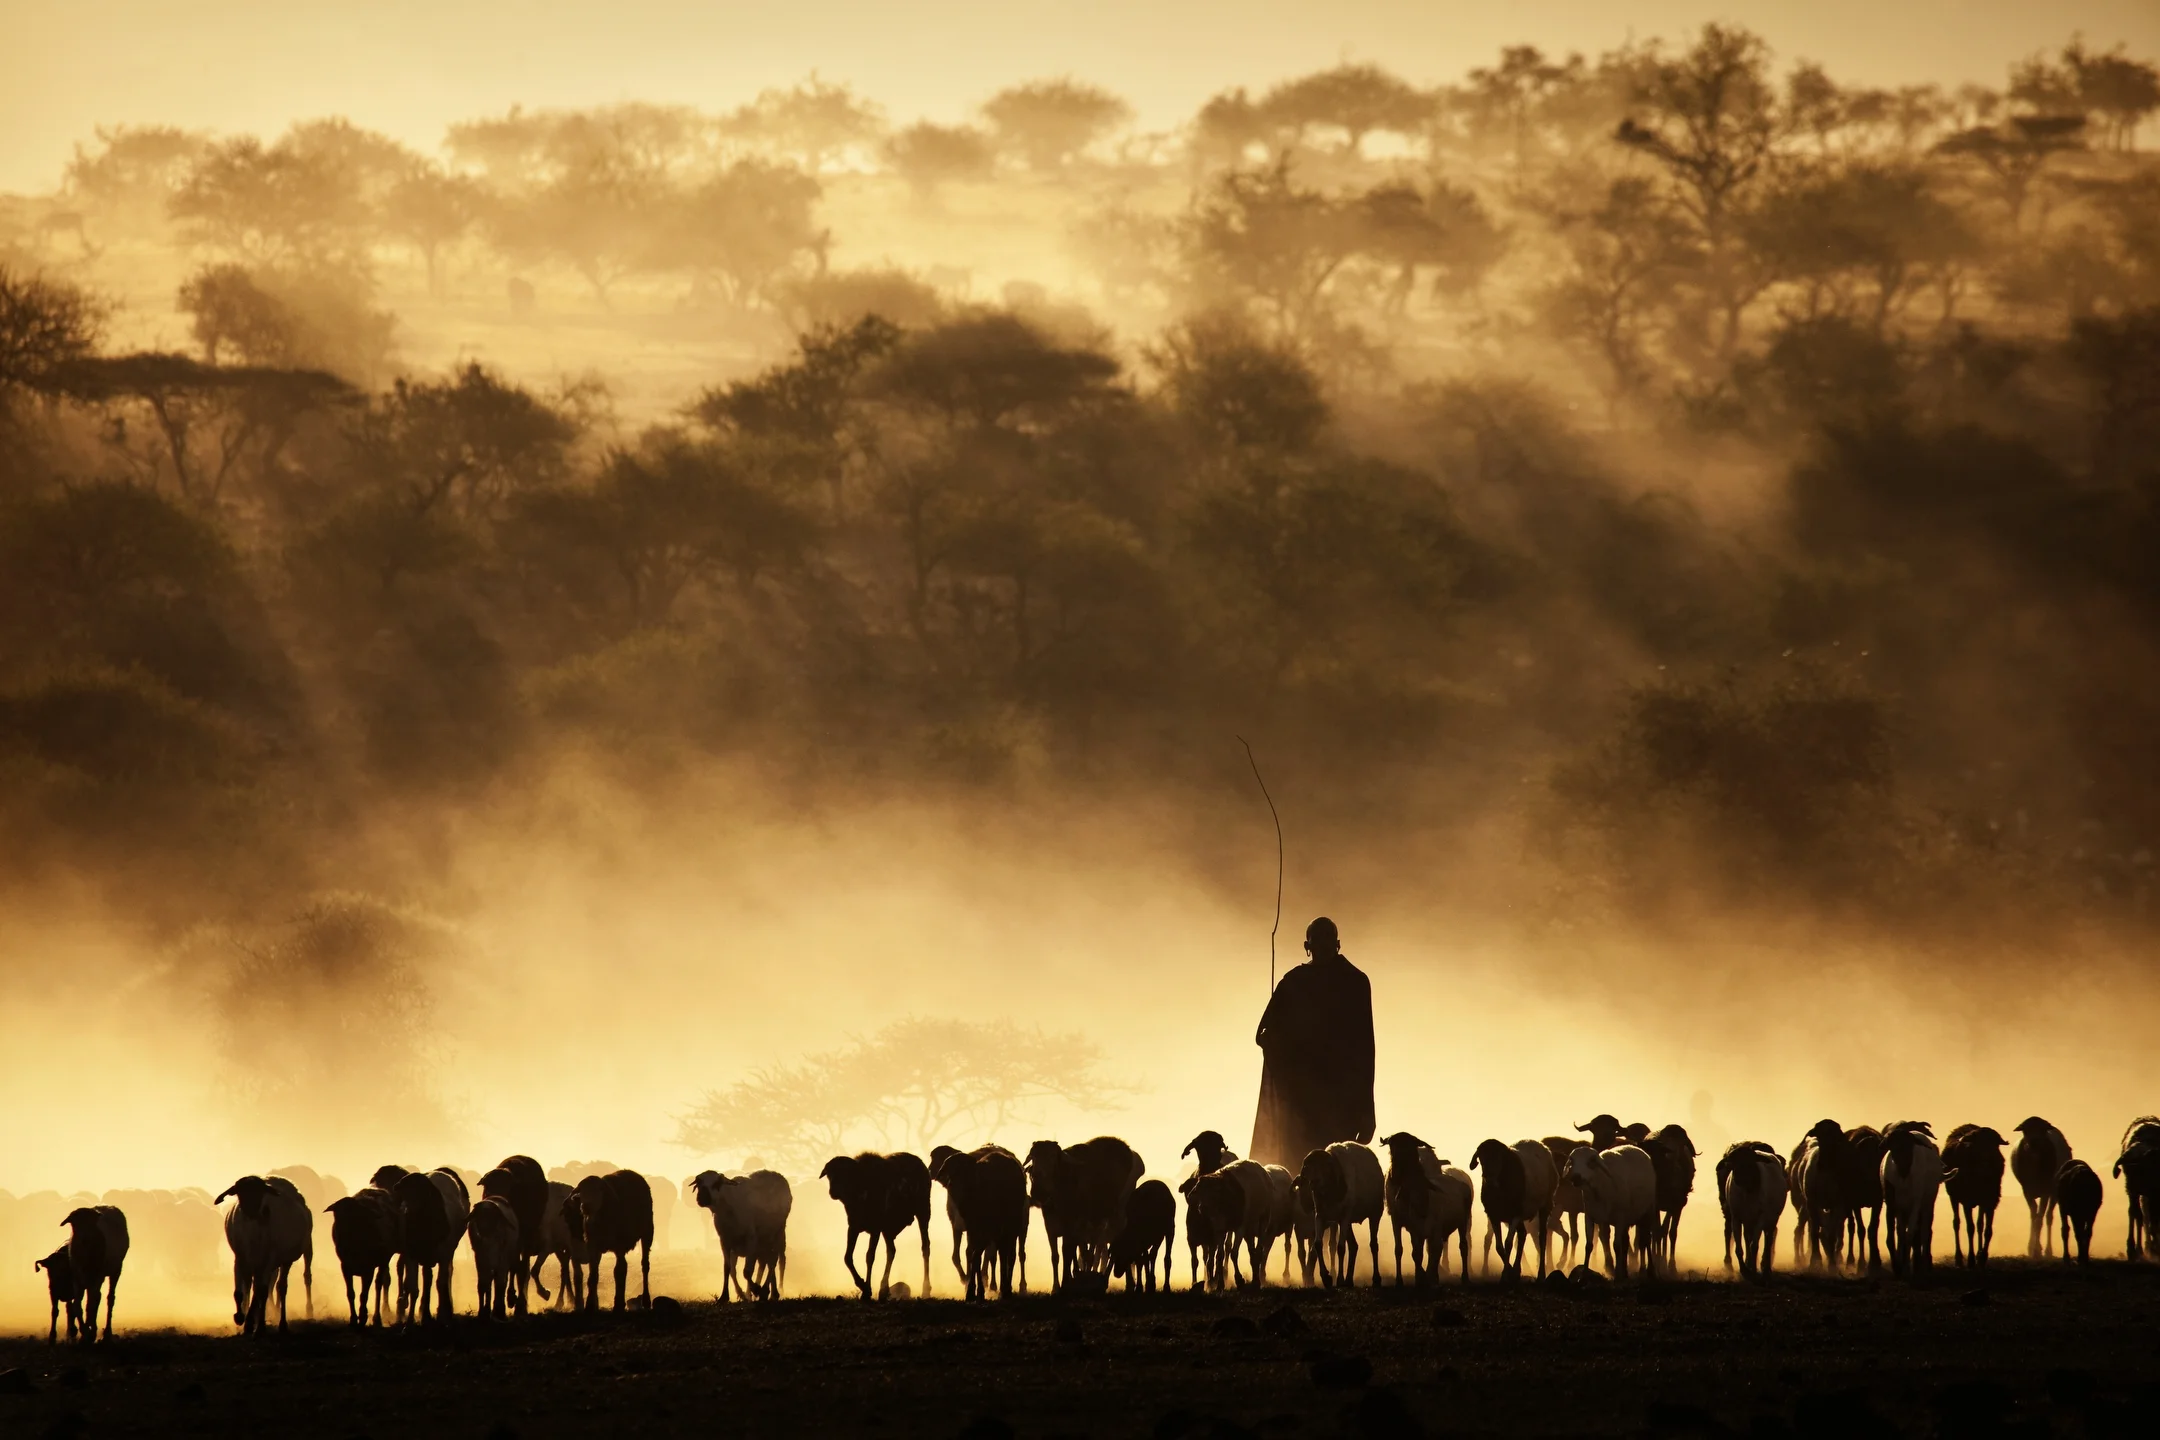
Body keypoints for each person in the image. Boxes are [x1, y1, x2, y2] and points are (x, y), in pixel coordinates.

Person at [1248, 916, 1375, 1168]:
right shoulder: (1295, 983)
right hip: (1303, 1103)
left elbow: (1364, 1048)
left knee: (1335, 1174)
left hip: (1337, 1104)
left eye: (1326, 944)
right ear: (1308, 947)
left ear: (1337, 945)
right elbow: (1262, 1034)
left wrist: (1367, 1110)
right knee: (1303, 1172)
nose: (1322, 950)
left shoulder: (1354, 982)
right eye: (1318, 945)